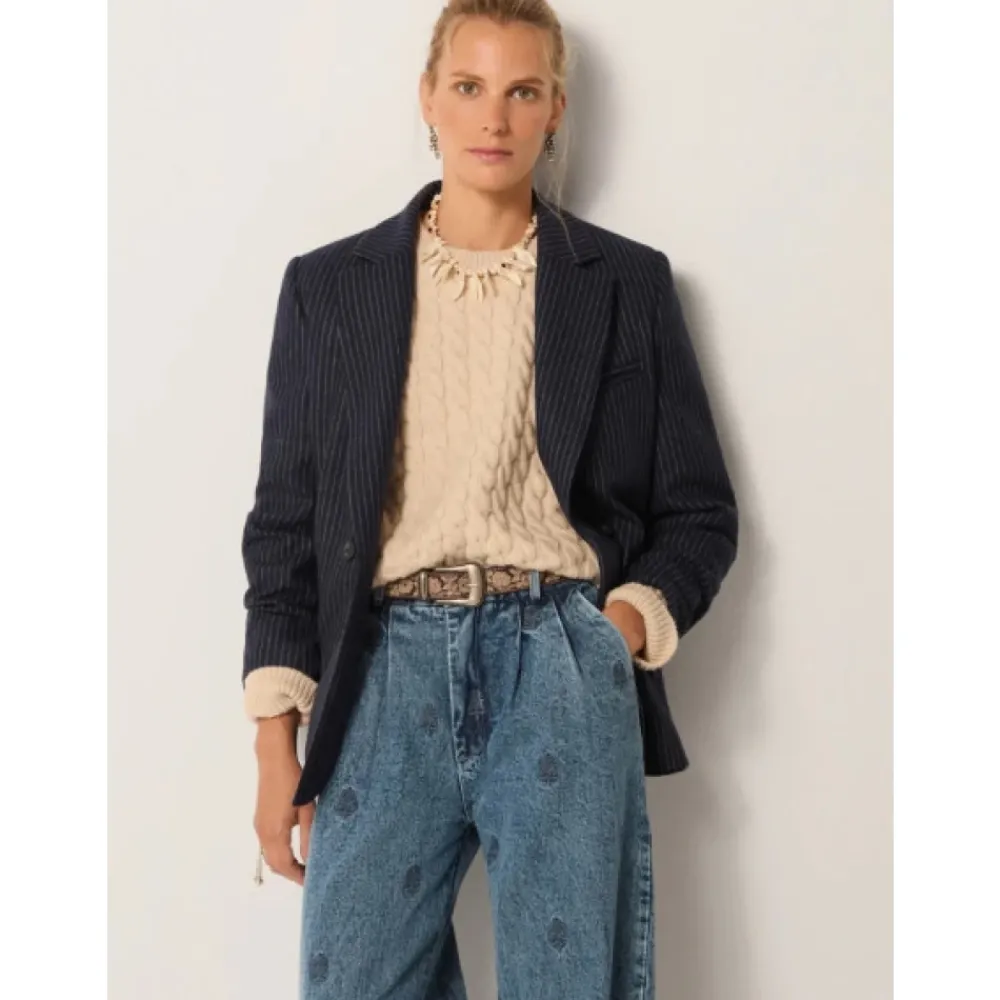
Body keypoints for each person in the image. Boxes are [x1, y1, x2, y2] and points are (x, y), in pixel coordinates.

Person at [241, 1, 738, 996]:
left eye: (522, 91)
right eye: (468, 86)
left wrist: (616, 631)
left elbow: (698, 510)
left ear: (556, 110)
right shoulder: (328, 287)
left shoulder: (626, 283)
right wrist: (274, 741)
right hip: (380, 669)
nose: (494, 117)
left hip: (557, 659)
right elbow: (286, 527)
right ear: (428, 98)